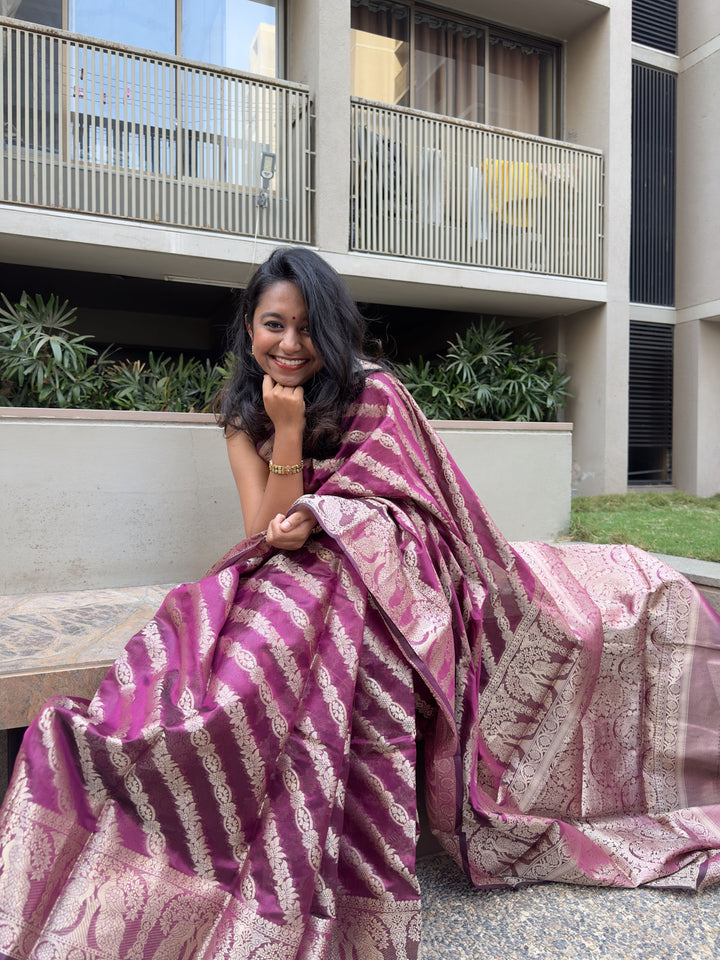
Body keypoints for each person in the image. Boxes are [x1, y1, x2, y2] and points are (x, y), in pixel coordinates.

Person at [1, 246, 720, 960]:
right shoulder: (241, 412)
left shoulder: (372, 393)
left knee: (327, 609)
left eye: (308, 328)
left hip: (381, 572)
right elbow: (263, 529)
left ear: (335, 330)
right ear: (248, 328)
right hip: (290, 571)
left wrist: (334, 516)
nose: (290, 344)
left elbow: (426, 511)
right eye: (274, 325)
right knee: (238, 663)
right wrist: (286, 435)